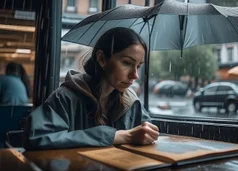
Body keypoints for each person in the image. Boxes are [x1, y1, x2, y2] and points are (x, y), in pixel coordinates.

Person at [26, 27, 159, 149]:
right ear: (102, 59)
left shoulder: (132, 102)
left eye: (139, 66)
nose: (135, 75)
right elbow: (37, 137)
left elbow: (148, 135)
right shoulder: (65, 98)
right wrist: (117, 136)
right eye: (127, 63)